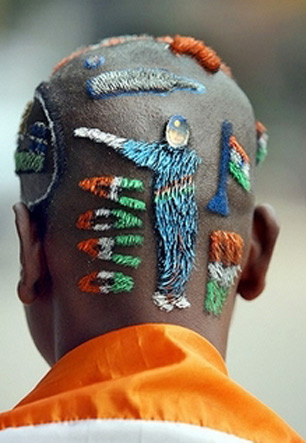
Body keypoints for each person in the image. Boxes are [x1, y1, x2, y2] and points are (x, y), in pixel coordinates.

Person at [0, 34, 302, 442]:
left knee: (176, 256)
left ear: (29, 252)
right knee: (175, 255)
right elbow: (128, 149)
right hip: (168, 216)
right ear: (256, 256)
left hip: (172, 219)